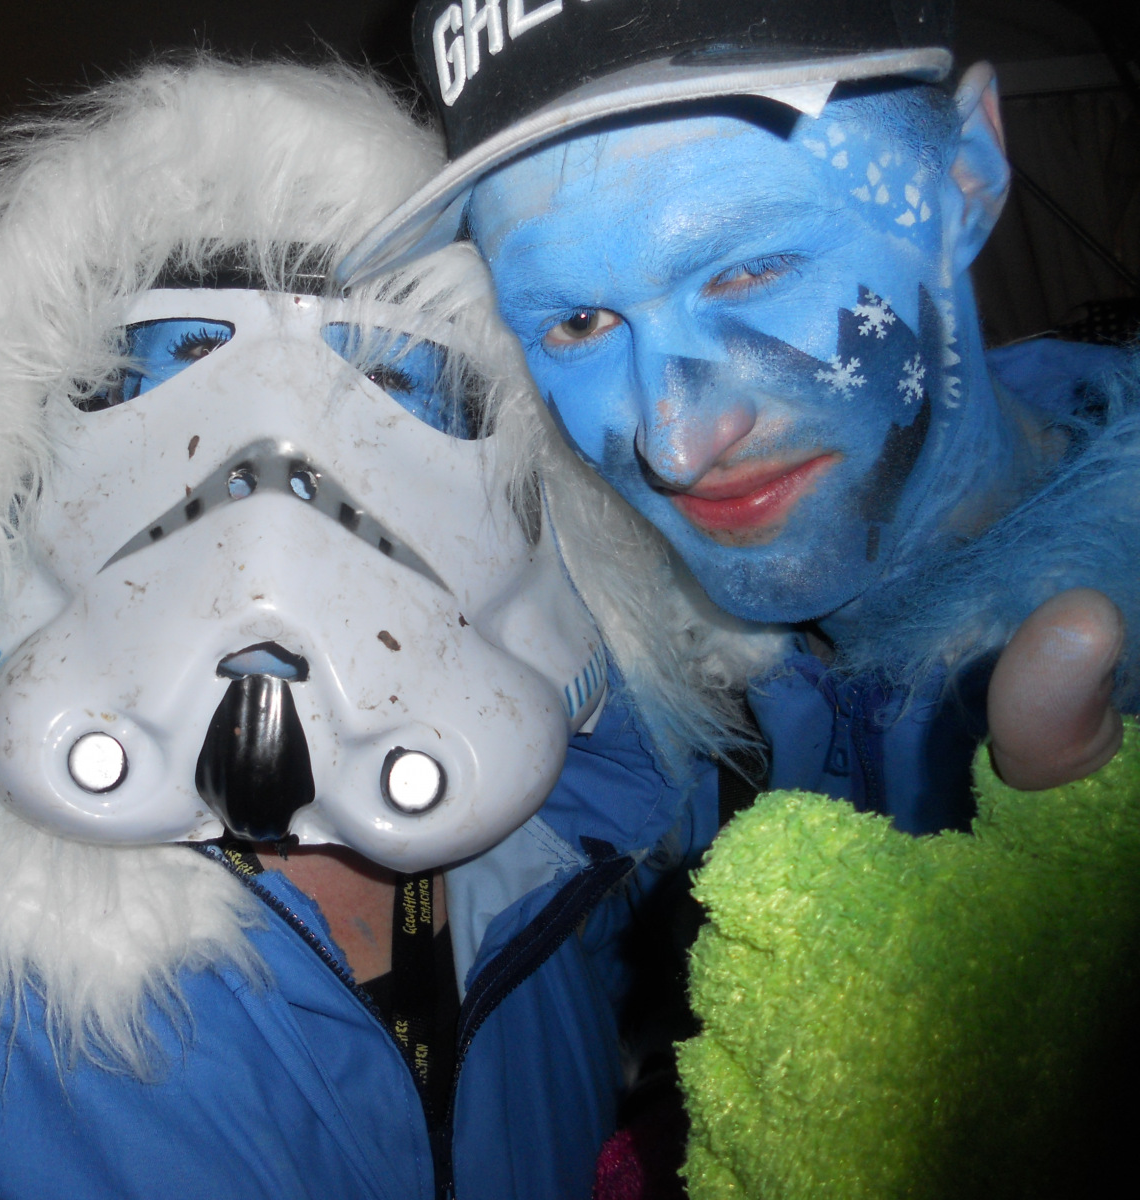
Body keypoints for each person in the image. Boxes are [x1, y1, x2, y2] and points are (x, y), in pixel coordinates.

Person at [0, 60, 757, 1199]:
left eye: (393, 382)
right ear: (6, 460)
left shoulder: (578, 837)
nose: (276, 502)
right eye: (171, 372)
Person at [339, 0, 1136, 832]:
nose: (675, 449)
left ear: (966, 177)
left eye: (749, 271)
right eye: (578, 323)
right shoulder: (610, 688)